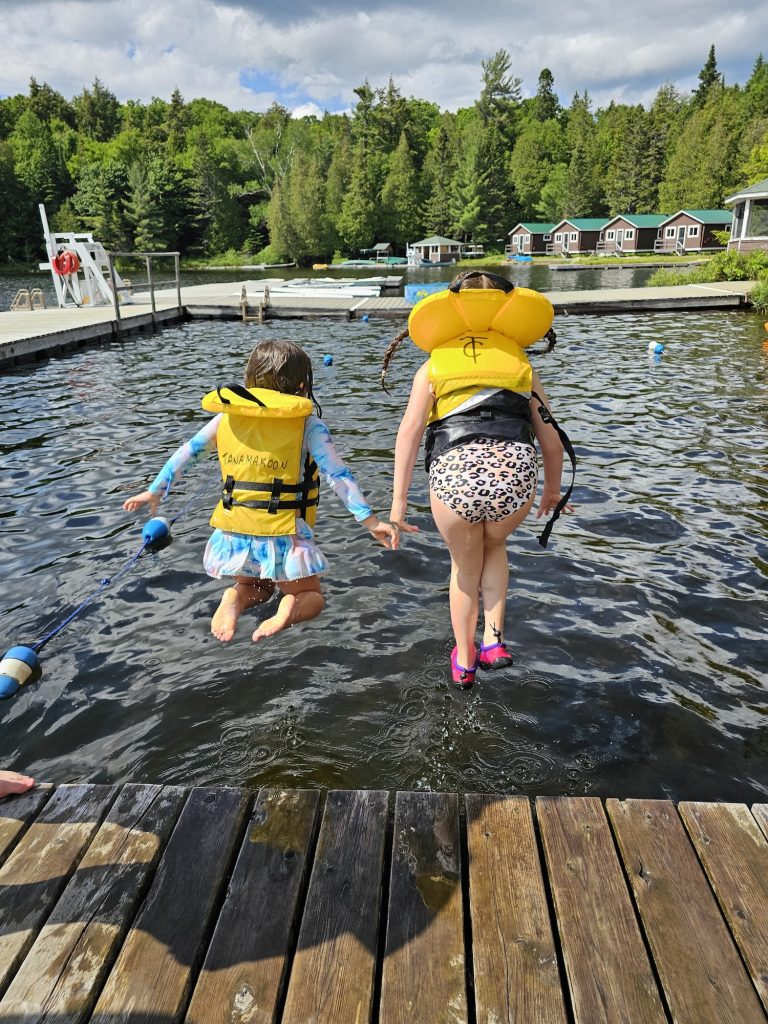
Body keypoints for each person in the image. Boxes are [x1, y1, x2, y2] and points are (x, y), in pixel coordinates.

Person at [124, 339, 398, 643]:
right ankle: (289, 607)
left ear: (249, 379)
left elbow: (188, 452)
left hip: (236, 530)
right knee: (311, 596)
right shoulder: (308, 424)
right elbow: (338, 475)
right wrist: (371, 522)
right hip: (284, 530)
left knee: (258, 588)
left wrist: (155, 491)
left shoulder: (226, 417)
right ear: (302, 383)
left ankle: (234, 599)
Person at [382, 270, 575, 689]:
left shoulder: (434, 365)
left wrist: (397, 506)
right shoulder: (520, 364)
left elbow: (410, 432)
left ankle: (466, 659)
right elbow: (552, 439)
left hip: (456, 477)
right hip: (515, 476)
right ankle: (494, 640)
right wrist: (553, 490)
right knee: (495, 546)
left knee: (464, 568)